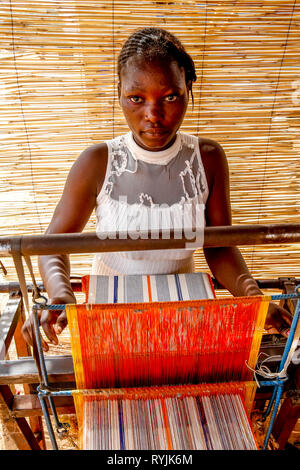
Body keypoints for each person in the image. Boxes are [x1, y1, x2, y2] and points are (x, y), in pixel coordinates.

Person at [22, 27, 292, 351]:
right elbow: (53, 243)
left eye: (170, 97)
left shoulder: (207, 159)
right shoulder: (97, 162)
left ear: (188, 89)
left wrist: (253, 295)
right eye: (137, 98)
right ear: (119, 93)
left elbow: (219, 245)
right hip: (110, 314)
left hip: (182, 311)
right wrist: (61, 294)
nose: (153, 115)